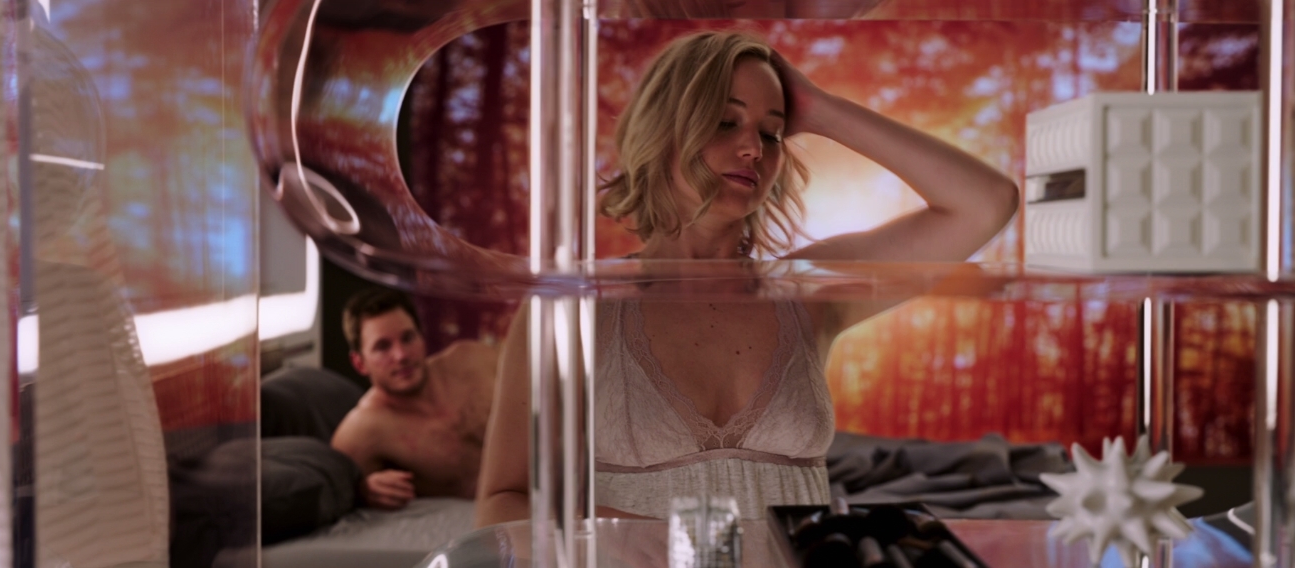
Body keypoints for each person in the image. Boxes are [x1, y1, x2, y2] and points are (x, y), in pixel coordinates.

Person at [475, 30, 1018, 525]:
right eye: (725, 122)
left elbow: (985, 203)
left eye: (773, 133)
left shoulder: (809, 290)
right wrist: (681, 550)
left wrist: (821, 110)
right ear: (665, 128)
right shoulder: (573, 307)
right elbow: (502, 503)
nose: (754, 149)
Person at [331, 289, 500, 509]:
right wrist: (364, 491)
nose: (401, 355)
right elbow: (333, 491)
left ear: (422, 338)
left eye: (408, 338)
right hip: (486, 517)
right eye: (383, 347)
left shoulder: (474, 360)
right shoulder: (362, 431)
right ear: (360, 363)